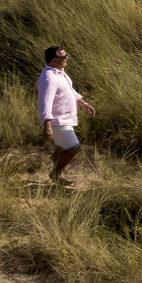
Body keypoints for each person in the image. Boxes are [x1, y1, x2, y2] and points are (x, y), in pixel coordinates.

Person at [37, 46, 95, 186]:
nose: (67, 59)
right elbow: (45, 102)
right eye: (64, 57)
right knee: (74, 148)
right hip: (58, 121)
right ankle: (56, 174)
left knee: (62, 147)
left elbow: (70, 91)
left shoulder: (61, 73)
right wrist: (47, 125)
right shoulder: (49, 78)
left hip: (67, 119)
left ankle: (56, 168)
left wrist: (83, 104)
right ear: (55, 60)